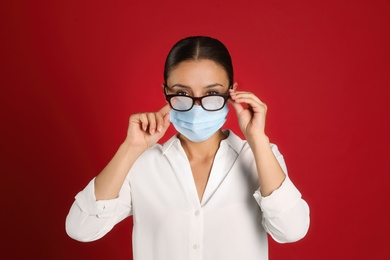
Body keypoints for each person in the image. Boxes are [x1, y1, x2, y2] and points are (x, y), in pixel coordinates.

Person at [66, 36, 310, 260]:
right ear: (166, 93)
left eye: (212, 92)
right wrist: (130, 149)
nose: (197, 106)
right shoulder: (141, 164)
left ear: (231, 93)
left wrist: (257, 139)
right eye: (182, 92)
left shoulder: (261, 157)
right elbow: (81, 228)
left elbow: (292, 230)